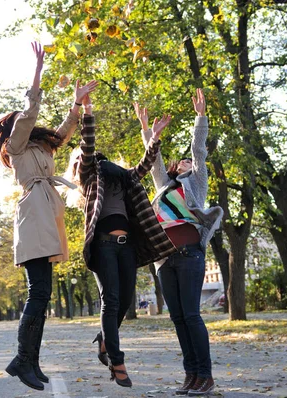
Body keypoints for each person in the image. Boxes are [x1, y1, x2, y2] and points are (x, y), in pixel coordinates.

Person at [0, 42, 97, 391]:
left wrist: (78, 103)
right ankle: (23, 360)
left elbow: (65, 131)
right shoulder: (16, 146)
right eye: (18, 123)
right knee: (38, 293)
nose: (25, 125)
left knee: (42, 293)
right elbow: (30, 113)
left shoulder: (41, 147)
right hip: (33, 216)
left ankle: (29, 361)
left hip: (45, 214)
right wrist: (37, 72)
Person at [64, 94, 174, 387]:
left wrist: (153, 137)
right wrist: (87, 110)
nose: (83, 158)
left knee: (124, 300)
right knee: (110, 301)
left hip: (126, 246)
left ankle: (104, 337)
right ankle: (117, 361)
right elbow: (87, 146)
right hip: (102, 246)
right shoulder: (89, 177)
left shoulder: (122, 176)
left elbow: (143, 167)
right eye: (78, 158)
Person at [135, 89, 223, 396]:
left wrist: (201, 118)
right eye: (182, 160)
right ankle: (191, 375)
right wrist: (147, 130)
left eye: (188, 161)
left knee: (191, 315)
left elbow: (199, 152)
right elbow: (154, 160)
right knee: (177, 317)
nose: (186, 161)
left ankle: (205, 375)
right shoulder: (163, 186)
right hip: (164, 259)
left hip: (188, 254)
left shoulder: (195, 184)